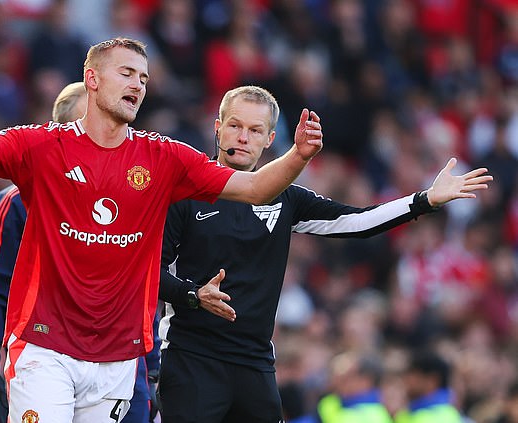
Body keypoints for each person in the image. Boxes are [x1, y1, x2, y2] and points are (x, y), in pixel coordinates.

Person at [0, 37, 323, 423]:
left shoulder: (164, 157)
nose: (138, 85)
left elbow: (255, 188)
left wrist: (298, 155)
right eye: (126, 73)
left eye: (143, 77)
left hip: (120, 359)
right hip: (45, 347)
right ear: (91, 78)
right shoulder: (42, 146)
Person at [157, 85, 493, 423]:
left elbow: (357, 221)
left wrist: (425, 200)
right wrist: (192, 295)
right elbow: (148, 272)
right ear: (217, 128)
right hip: (191, 357)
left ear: (270, 138)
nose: (243, 137)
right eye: (235, 125)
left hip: (254, 362)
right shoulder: (185, 193)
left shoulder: (286, 199)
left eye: (255, 130)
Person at [0, 82, 159, 423]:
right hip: (47, 354)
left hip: (123, 366)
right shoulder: (16, 203)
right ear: (61, 132)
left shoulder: (135, 200)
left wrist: (153, 369)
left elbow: (144, 287)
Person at [315, 351, 392, 423]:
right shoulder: (336, 402)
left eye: (349, 374)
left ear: (365, 381)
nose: (342, 379)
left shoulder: (374, 415)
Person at [394, 351, 463, 423]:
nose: (406, 380)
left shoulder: (442, 418)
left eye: (413, 375)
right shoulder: (407, 413)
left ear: (432, 380)